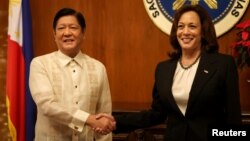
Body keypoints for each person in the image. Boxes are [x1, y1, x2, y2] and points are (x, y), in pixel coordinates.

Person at [97, 4, 242, 141]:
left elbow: (233, 118)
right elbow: (156, 114)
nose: (185, 32)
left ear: (203, 32)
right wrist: (116, 121)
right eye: (180, 26)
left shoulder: (224, 64)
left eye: (192, 26)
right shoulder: (163, 69)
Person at [29, 8, 115, 141]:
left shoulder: (98, 68)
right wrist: (88, 119)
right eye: (61, 28)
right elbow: (47, 105)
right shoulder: (40, 64)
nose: (67, 33)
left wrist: (103, 127)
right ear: (54, 34)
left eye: (73, 27)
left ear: (83, 33)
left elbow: (103, 114)